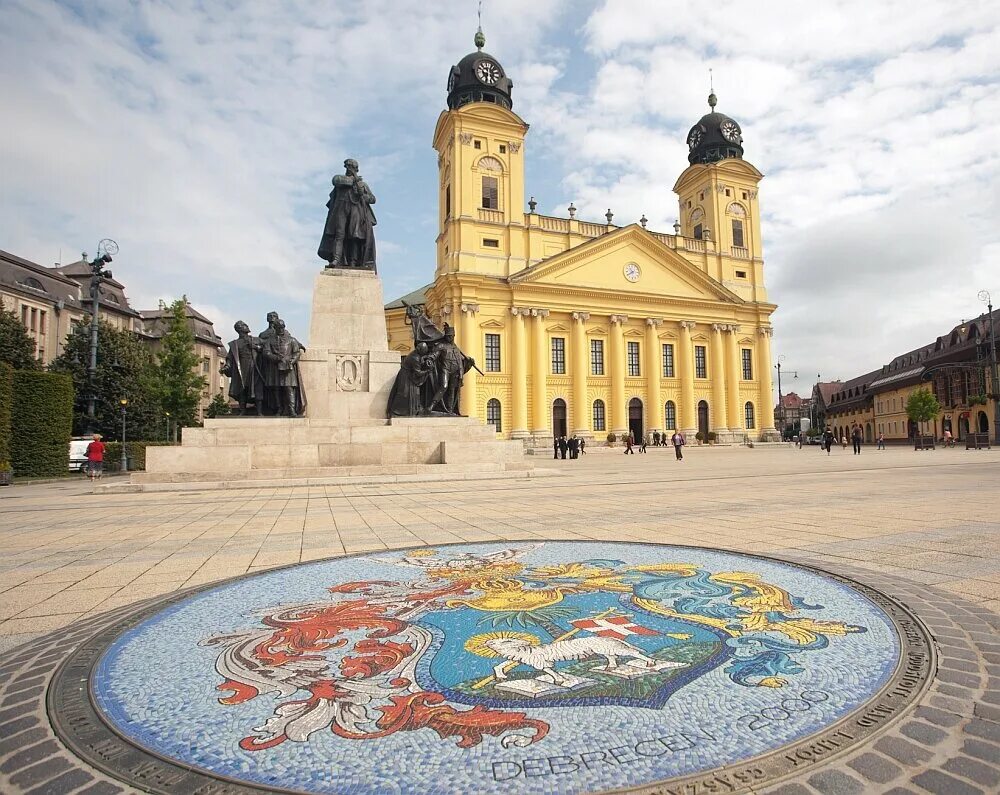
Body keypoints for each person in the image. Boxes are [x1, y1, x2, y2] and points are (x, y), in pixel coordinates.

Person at [318, 158, 377, 270]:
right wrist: (353, 181)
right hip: (341, 210)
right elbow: (335, 181)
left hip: (356, 211)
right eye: (348, 167)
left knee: (355, 236)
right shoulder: (340, 179)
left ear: (356, 169)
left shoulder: (362, 185)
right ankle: (336, 259)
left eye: (352, 167)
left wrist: (363, 195)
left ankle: (354, 262)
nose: (350, 169)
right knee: (339, 234)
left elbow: (373, 199)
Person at [261, 320, 306, 417]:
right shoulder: (270, 340)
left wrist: (292, 361)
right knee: (276, 389)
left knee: (289, 388)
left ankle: (291, 410)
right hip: (275, 367)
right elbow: (266, 352)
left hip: (288, 368)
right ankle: (279, 409)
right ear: (275, 328)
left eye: (283, 327)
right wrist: (275, 358)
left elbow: (297, 352)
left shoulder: (291, 340)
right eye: (279, 327)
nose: (281, 329)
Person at [221, 321, 263, 416]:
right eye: (244, 325)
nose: (247, 326)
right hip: (241, 368)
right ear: (239, 329)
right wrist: (227, 366)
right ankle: (242, 410)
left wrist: (256, 347)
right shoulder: (235, 344)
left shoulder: (256, 340)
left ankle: (260, 411)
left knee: (257, 388)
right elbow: (230, 357)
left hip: (255, 367)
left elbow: (266, 348)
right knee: (242, 389)